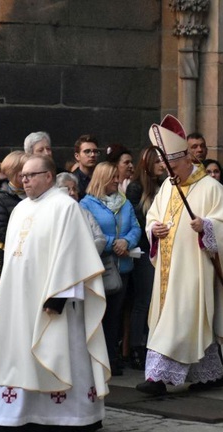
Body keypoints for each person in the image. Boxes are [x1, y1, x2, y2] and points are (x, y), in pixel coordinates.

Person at [0, 155, 109, 432]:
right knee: (16, 355)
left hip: (53, 301)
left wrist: (60, 295)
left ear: (49, 176)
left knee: (59, 352)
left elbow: (75, 253)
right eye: (23, 175)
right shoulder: (21, 208)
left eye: (32, 175)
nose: (25, 180)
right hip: (18, 301)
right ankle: (10, 419)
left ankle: (73, 419)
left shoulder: (65, 207)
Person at [135, 115, 223, 396]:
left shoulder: (210, 188)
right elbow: (153, 217)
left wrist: (207, 227)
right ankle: (210, 375)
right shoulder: (169, 187)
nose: (169, 173)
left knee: (182, 317)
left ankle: (158, 378)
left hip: (193, 270)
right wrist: (154, 229)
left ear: (186, 160)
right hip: (167, 272)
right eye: (165, 167)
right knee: (188, 321)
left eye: (172, 166)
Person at [80, 162, 141, 376]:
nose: (118, 180)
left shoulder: (124, 203)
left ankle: (111, 359)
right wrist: (113, 243)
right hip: (101, 267)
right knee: (99, 314)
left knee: (115, 315)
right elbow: (86, 231)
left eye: (117, 176)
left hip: (122, 268)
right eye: (113, 177)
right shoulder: (86, 204)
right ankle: (96, 359)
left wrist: (127, 241)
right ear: (102, 178)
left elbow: (136, 227)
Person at [125, 146, 167, 370]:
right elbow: (137, 220)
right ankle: (136, 348)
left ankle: (153, 344)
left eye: (164, 161)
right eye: (158, 161)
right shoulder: (136, 187)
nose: (162, 164)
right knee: (143, 301)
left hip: (163, 250)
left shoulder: (166, 185)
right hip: (144, 250)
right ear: (148, 162)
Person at [0, 151, 28, 298]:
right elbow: (1, 232)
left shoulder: (36, 195)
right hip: (9, 259)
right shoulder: (0, 199)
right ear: (14, 173)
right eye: (24, 172)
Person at [56, 172, 106, 254]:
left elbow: (100, 238)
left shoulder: (86, 213)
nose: (72, 193)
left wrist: (84, 255)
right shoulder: (53, 215)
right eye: (67, 189)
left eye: (74, 189)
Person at [73, 134, 101, 198]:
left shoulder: (102, 178)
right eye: (87, 151)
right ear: (77, 156)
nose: (92, 155)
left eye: (95, 151)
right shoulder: (73, 180)